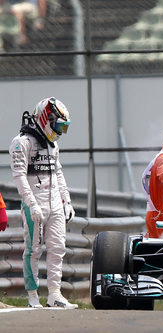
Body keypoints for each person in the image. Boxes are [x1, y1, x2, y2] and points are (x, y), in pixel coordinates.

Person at [9, 97, 77, 309]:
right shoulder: (21, 143)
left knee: (58, 248)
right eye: (59, 125)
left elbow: (58, 173)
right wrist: (31, 204)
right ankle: (32, 296)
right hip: (34, 204)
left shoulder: (53, 144)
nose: (60, 130)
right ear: (47, 118)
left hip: (55, 202)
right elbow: (19, 177)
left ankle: (55, 294)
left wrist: (67, 201)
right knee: (33, 250)